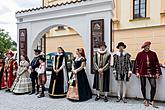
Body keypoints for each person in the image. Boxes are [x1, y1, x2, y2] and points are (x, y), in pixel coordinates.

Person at [133, 41, 162, 108]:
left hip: (152, 72)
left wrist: (157, 73)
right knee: (143, 86)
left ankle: (151, 100)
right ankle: (145, 99)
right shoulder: (140, 54)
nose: (148, 47)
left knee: (153, 86)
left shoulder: (153, 54)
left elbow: (156, 63)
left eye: (149, 46)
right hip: (142, 72)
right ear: (144, 47)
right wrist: (137, 72)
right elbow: (136, 64)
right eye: (146, 46)